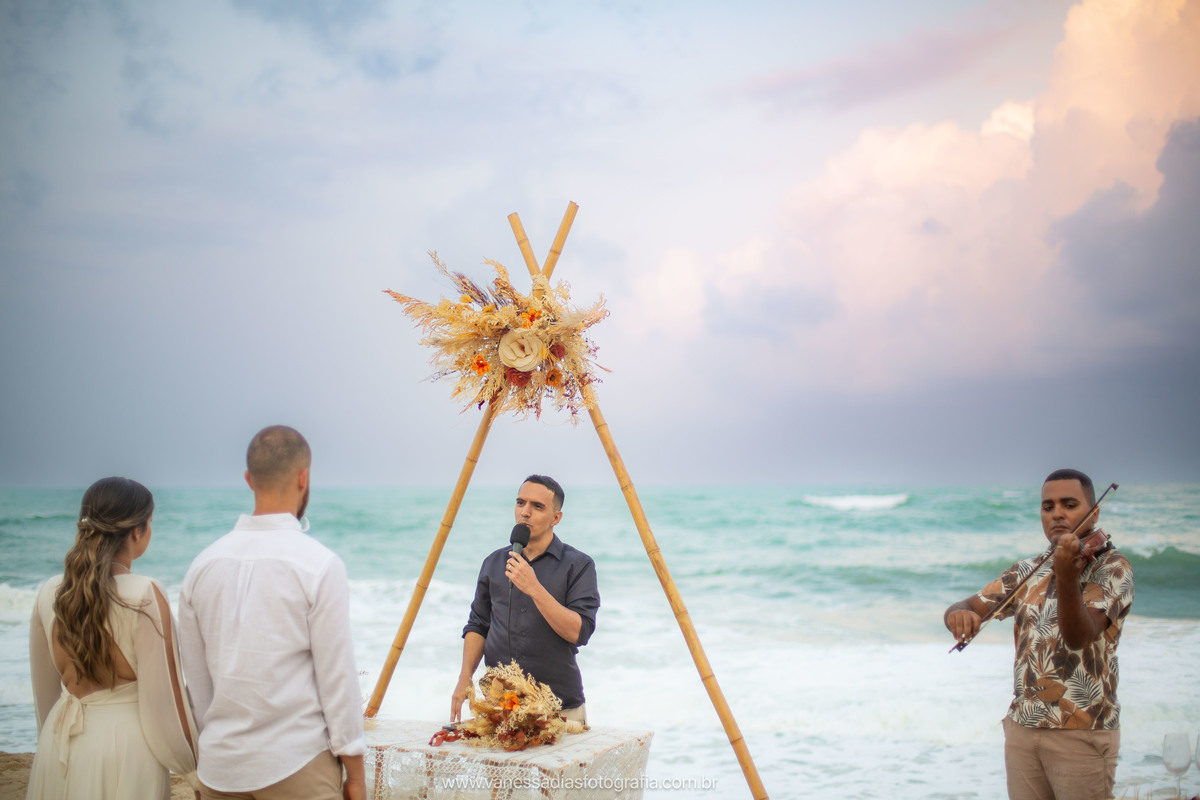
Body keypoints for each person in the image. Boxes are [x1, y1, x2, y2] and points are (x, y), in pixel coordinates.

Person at [179, 426, 365, 800]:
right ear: (304, 477)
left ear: (249, 480)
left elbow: (197, 684)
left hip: (221, 767)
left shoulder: (201, 567)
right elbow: (337, 681)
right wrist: (355, 773)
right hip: (296, 763)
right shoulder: (319, 565)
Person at [944, 468, 1135, 800]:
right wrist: (957, 615)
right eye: (1048, 507)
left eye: (1069, 504)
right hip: (1023, 726)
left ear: (1094, 511)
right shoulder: (1027, 569)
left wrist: (1065, 574)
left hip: (1080, 731)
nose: (1057, 513)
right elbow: (970, 604)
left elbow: (1079, 636)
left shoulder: (1112, 567)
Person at [27, 476, 198, 799]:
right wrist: (192, 770)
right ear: (137, 531)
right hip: (124, 750)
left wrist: (48, 741)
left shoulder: (49, 592)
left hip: (58, 741)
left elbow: (45, 697)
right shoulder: (143, 593)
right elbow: (165, 708)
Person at [451, 475, 599, 725]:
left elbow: (579, 632)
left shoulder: (578, 565)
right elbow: (478, 624)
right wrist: (465, 676)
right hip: (499, 706)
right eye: (520, 503)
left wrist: (534, 587)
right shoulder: (493, 562)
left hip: (559, 709)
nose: (525, 512)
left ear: (556, 518)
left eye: (537, 506)